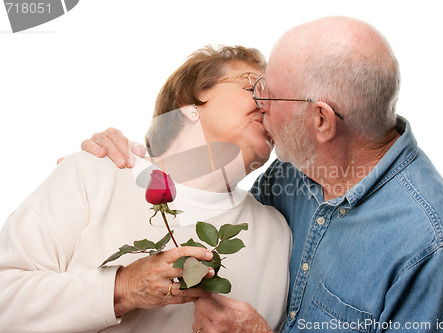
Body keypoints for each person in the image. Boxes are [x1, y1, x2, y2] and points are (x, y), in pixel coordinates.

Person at [82, 17, 443, 333]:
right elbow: (210, 195)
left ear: (320, 120)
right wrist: (133, 160)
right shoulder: (294, 174)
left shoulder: (439, 250)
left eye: (268, 93)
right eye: (253, 87)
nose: (260, 105)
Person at [0, 45, 291, 332]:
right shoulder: (92, 174)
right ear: (190, 103)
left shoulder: (277, 234)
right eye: (253, 87)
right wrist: (124, 287)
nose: (268, 106)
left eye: (275, 101)